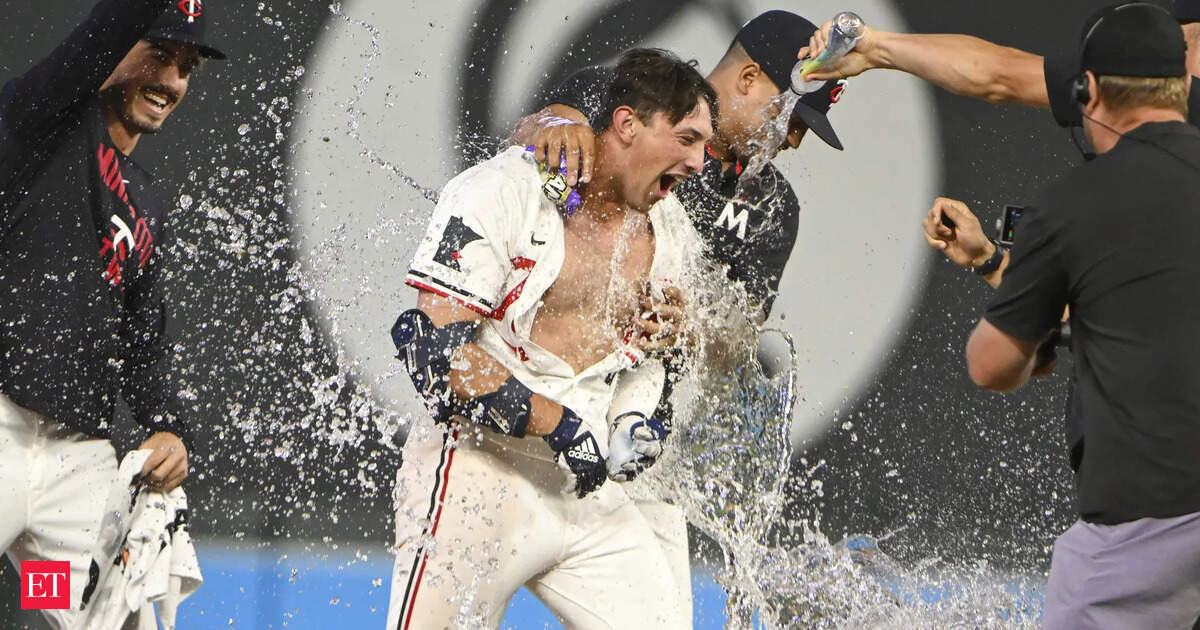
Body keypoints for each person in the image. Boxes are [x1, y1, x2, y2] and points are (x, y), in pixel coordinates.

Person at [385, 48, 714, 630]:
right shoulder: (503, 188)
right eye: (687, 138)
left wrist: (637, 419)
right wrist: (555, 423)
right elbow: (434, 355)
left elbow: (655, 360)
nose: (700, 161)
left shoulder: (672, 227)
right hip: (479, 468)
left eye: (705, 145)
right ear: (628, 124)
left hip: (587, 485)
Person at [952, 4, 1200, 626]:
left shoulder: (1074, 203)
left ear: (1086, 90)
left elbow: (992, 365)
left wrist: (1014, 305)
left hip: (1150, 525)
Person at [0, 0, 224, 626]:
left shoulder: (145, 197)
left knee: (80, 613)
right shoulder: (40, 126)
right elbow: (99, 36)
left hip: (73, 466)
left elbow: (143, 339)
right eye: (158, 53)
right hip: (4, 432)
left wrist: (169, 425)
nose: (171, 81)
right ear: (118, 45)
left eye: (186, 66)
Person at [512, 10, 849, 323]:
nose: (793, 141)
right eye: (792, 119)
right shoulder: (628, 95)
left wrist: (694, 324)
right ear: (748, 78)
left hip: (630, 381)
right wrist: (558, 130)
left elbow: (740, 342)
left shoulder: (772, 207)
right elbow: (522, 143)